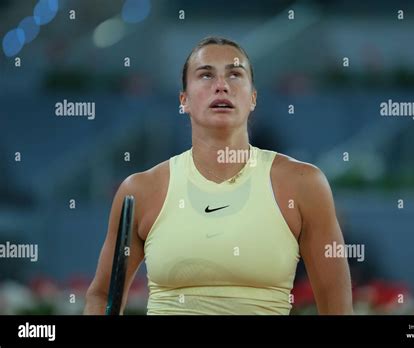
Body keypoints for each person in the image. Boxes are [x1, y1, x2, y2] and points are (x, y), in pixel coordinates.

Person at [84, 36, 353, 315]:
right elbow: (101, 296)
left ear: (253, 98)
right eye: (206, 75)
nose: (221, 85)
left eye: (235, 74)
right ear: (184, 100)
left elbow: (337, 308)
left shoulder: (303, 185)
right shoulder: (139, 190)